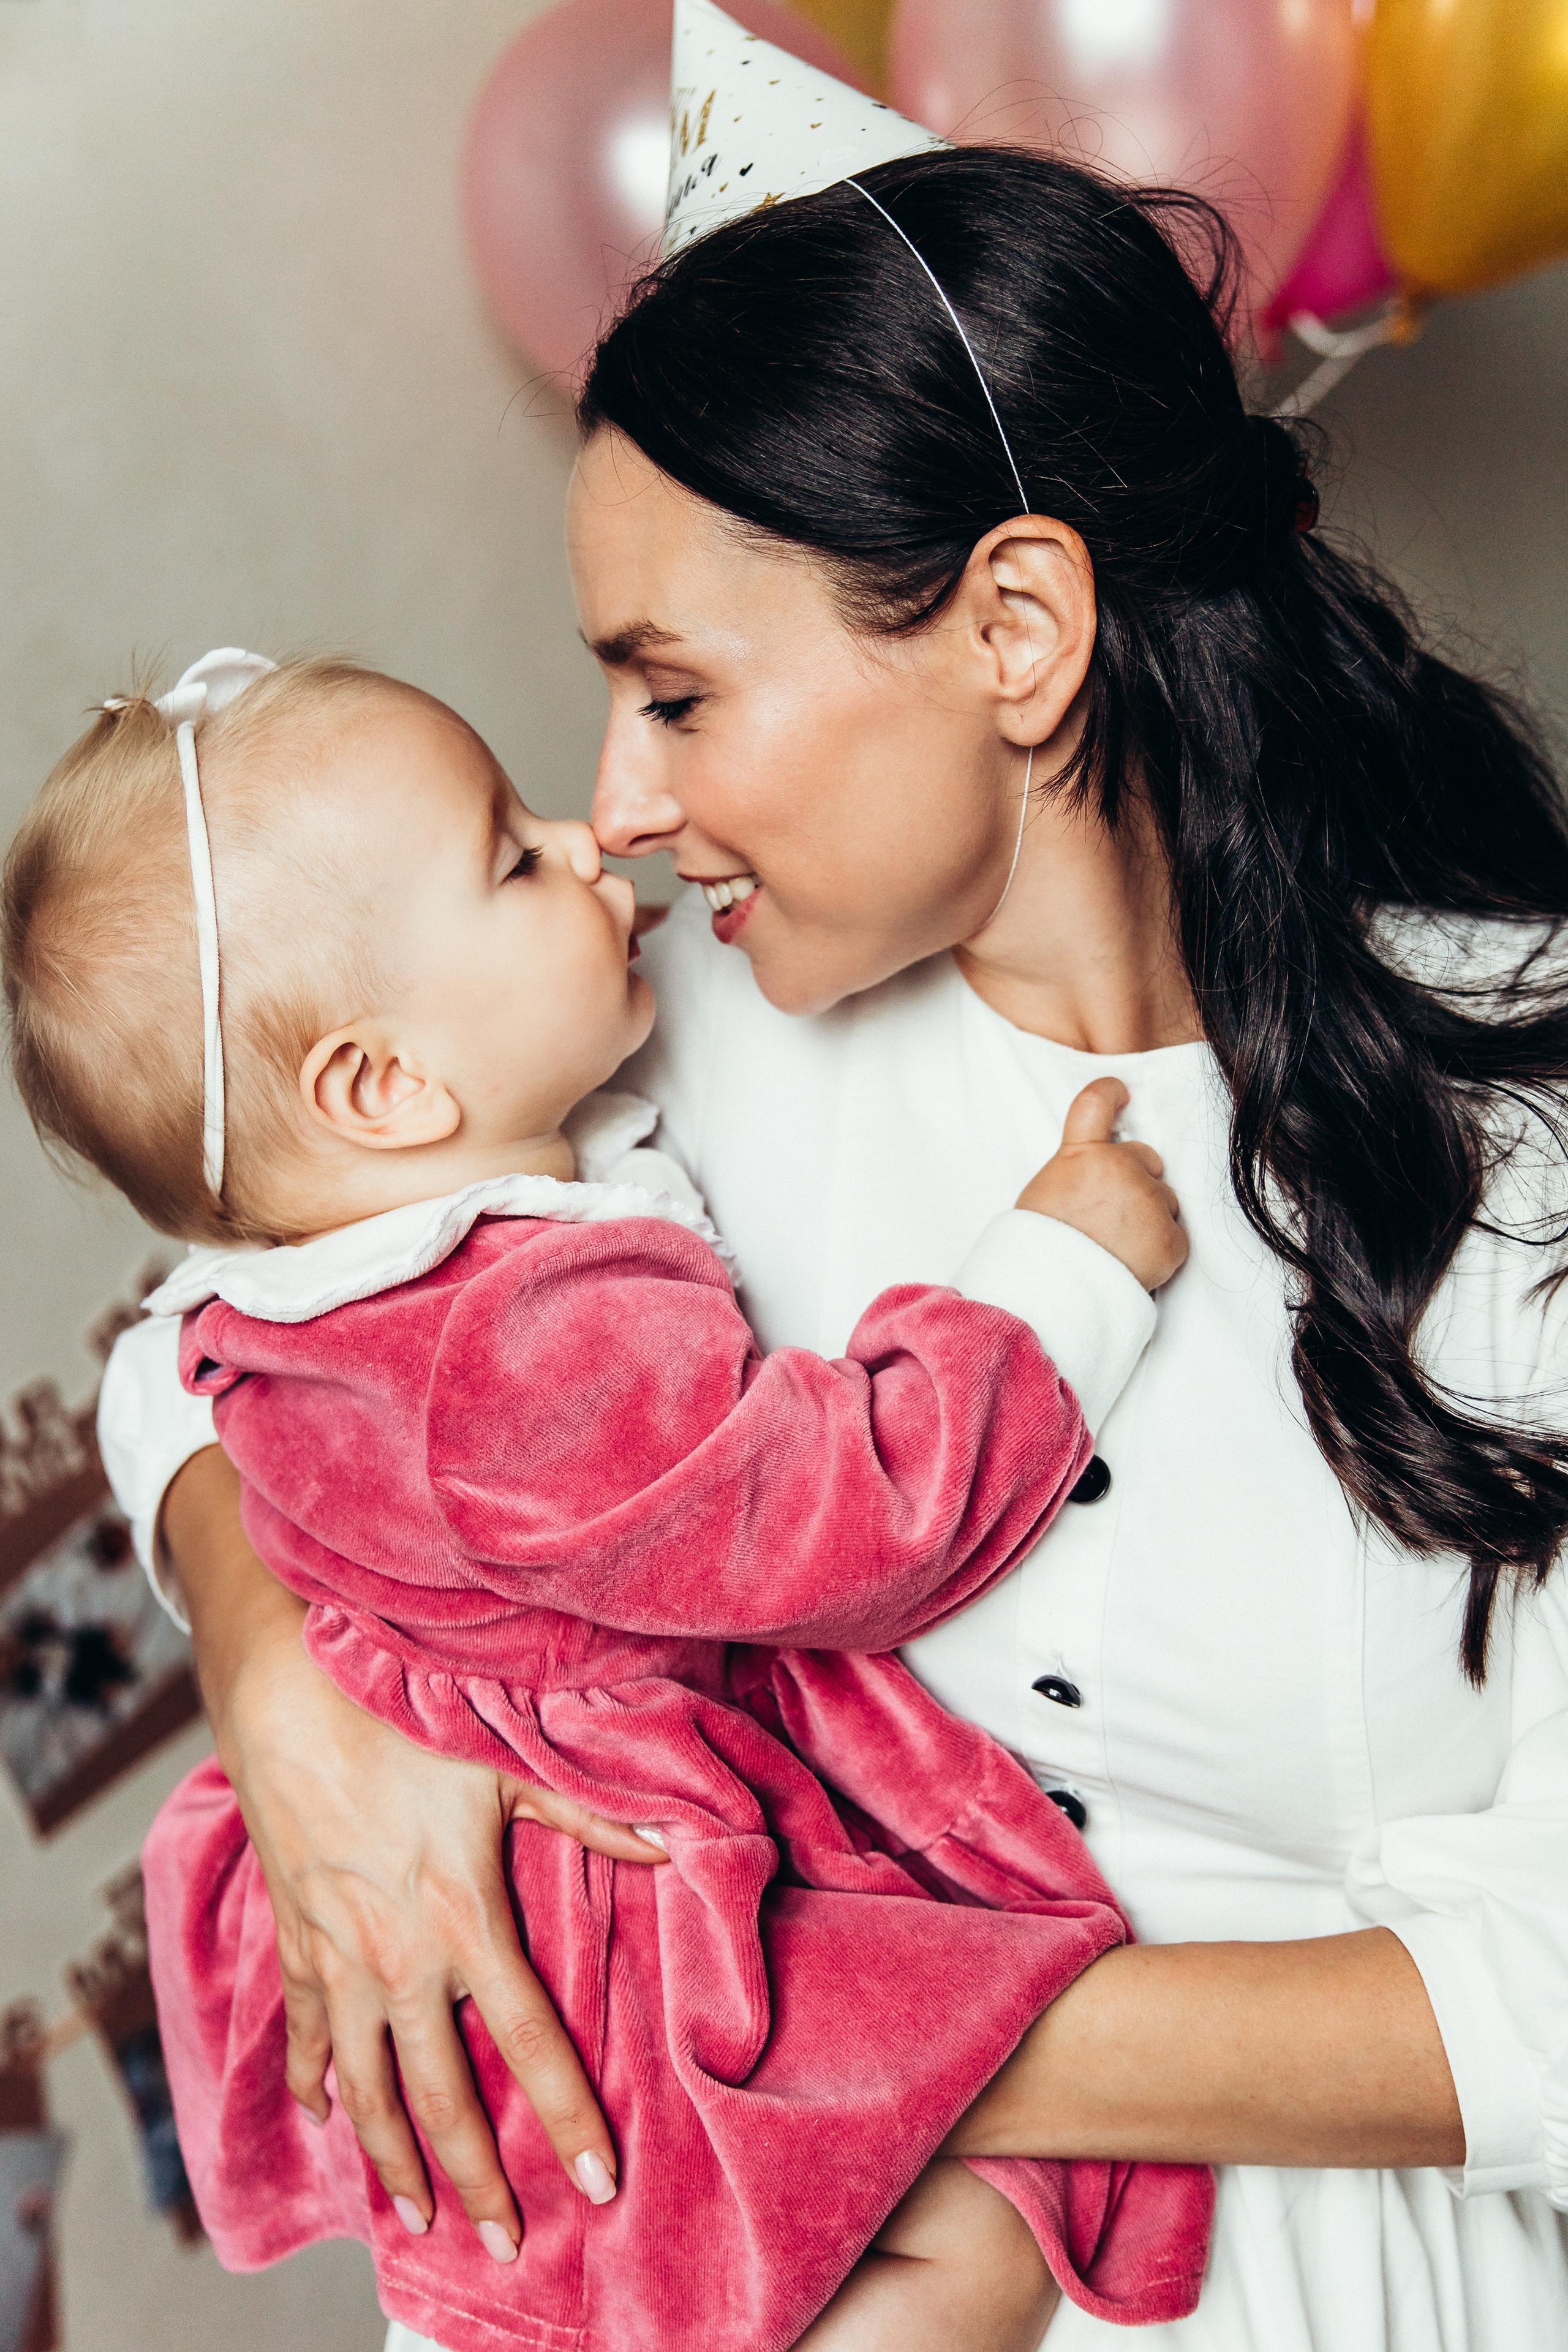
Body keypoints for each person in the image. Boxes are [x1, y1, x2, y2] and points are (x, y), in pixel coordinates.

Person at [83, 35, 1568, 2352]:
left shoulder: (1529, 1128)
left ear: (1014, 632)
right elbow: (218, 1331)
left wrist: (789, 2041)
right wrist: (288, 1691)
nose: (623, 803)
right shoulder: (663, 1046)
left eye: (675, 694)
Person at [2, 650, 1210, 2351]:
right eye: (512, 853)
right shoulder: (513, 1338)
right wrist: (1063, 1278)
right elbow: (841, 1516)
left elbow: (178, 1361)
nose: (594, 838)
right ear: (383, 1089)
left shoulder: (313, 1282)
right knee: (954, 2254)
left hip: (513, 1923)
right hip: (594, 1912)